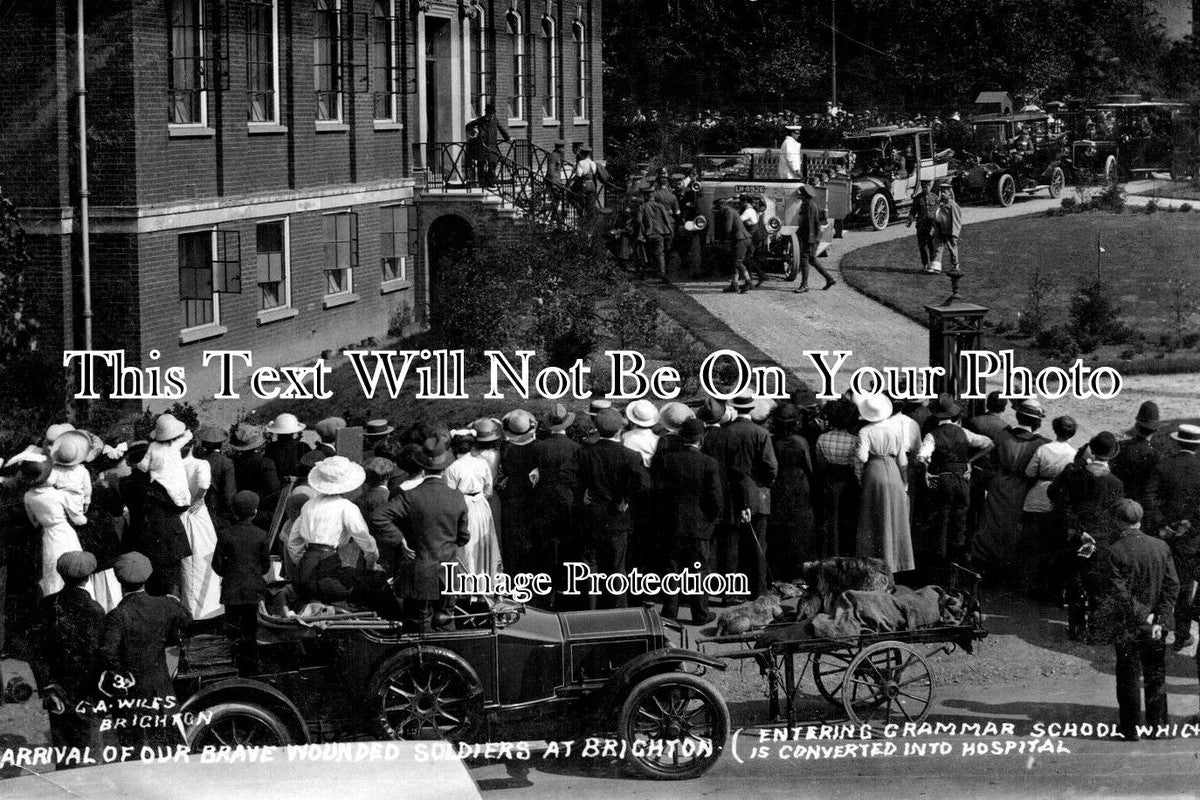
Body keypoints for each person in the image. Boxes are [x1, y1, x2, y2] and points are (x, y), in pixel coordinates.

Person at [1086, 500, 1178, 741]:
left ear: (1118, 521)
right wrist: (1160, 617)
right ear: (1141, 519)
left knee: (1128, 675)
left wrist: (1141, 616)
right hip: (1156, 626)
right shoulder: (1160, 547)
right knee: (1156, 674)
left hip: (1128, 625)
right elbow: (1172, 585)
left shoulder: (1115, 551)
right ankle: (1158, 727)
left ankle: (1131, 729)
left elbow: (1120, 593)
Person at [371, 442, 470, 632]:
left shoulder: (410, 496)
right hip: (447, 572)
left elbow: (378, 517)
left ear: (423, 468)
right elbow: (464, 537)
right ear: (445, 468)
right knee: (446, 621)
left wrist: (400, 539)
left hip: (418, 571)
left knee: (418, 624)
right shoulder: (457, 497)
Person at [101, 552, 191, 746]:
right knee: (169, 749)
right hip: (162, 690)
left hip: (131, 697)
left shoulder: (117, 615)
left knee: (135, 752)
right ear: (148, 576)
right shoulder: (165, 604)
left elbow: (109, 653)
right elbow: (186, 619)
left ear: (119, 580)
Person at [29, 552, 105, 767]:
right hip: (86, 694)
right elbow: (97, 656)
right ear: (88, 577)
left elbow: (37, 652)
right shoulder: (94, 610)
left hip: (57, 691)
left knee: (64, 753)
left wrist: (48, 686)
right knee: (90, 754)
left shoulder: (46, 605)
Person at [575, 408, 650, 609]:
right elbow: (643, 485)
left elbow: (568, 479)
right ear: (620, 429)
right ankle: (618, 611)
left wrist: (581, 494)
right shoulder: (631, 455)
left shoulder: (584, 452)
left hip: (591, 517)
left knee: (590, 566)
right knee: (617, 568)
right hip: (617, 517)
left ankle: (589, 610)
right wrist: (625, 497)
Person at [287, 456, 379, 605]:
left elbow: (293, 542)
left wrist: (303, 563)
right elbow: (366, 541)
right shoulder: (346, 507)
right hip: (328, 572)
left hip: (304, 574)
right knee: (371, 583)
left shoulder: (308, 506)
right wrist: (371, 564)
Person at [972, 400, 1049, 576]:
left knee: (992, 522)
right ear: (1037, 422)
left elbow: (989, 455)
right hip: (1022, 487)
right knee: (1013, 525)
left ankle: (985, 559)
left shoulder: (1002, 436)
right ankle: (1008, 563)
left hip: (999, 483)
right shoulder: (1040, 443)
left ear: (1017, 416)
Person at [916, 394, 994, 564]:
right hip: (962, 480)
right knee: (960, 520)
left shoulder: (932, 435)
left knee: (942, 520)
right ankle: (957, 560)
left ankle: (940, 560)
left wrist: (926, 474)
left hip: (943, 479)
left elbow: (921, 458)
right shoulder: (964, 433)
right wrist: (969, 461)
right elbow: (989, 444)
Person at [659, 419, 721, 625]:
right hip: (699, 524)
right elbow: (715, 499)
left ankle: (669, 612)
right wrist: (710, 521)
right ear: (701, 439)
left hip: (672, 523)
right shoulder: (709, 463)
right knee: (699, 569)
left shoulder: (667, 460)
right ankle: (700, 613)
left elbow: (658, 493)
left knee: (672, 569)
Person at [1144, 423, 1200, 652]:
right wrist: (1190, 525)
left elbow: (1148, 497)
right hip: (1191, 538)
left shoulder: (1163, 465)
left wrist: (1163, 524)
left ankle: (1161, 630)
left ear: (1178, 442)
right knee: (1186, 586)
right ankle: (1182, 636)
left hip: (1164, 535)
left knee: (1164, 582)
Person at [717, 394, 778, 596]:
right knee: (758, 541)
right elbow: (771, 466)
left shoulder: (725, 432)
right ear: (751, 408)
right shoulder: (761, 433)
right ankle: (758, 588)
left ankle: (731, 591)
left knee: (731, 543)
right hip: (757, 492)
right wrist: (763, 484)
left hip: (729, 494)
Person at [211, 491, 270, 675]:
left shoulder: (225, 534)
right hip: (253, 590)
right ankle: (251, 670)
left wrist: (229, 574)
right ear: (254, 511)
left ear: (234, 512)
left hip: (231, 590)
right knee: (250, 631)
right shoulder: (261, 534)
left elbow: (217, 565)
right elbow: (265, 566)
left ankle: (232, 667)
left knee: (233, 630)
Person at [855, 393, 914, 575]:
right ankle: (897, 562)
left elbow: (862, 456)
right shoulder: (895, 429)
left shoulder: (865, 431)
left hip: (874, 471)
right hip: (893, 470)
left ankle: (873, 562)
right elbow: (902, 460)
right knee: (895, 517)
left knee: (873, 517)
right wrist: (904, 482)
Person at [1022, 415, 1078, 599]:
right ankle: (1050, 588)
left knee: (1032, 546)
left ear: (1054, 429)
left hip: (1036, 499)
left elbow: (1029, 472)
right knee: (1054, 548)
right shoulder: (1073, 453)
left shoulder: (1043, 449)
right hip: (1058, 505)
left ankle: (1029, 586)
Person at [529, 404, 581, 602]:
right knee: (568, 547)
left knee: (545, 549)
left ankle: (544, 591)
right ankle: (566, 590)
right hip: (568, 500)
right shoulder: (576, 448)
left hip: (544, 501)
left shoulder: (539, 447)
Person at [444, 432, 502, 579]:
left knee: (466, 547)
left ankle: (468, 585)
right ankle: (487, 581)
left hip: (463, 506)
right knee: (484, 541)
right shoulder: (481, 462)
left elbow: (449, 496)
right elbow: (489, 490)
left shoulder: (452, 468)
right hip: (481, 505)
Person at [768, 404, 816, 581]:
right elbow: (810, 467)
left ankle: (779, 571)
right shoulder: (800, 442)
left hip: (779, 485)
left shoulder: (772, 441)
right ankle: (797, 572)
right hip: (799, 486)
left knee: (779, 528)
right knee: (800, 530)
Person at [180, 437, 222, 621]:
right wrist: (199, 498)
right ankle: (207, 608)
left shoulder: (175, 466)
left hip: (181, 513)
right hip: (196, 513)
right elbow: (204, 484)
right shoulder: (201, 463)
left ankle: (191, 607)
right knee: (203, 557)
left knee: (189, 563)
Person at [816, 398, 861, 557]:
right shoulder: (854, 440)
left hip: (829, 479)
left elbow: (820, 462)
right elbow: (856, 464)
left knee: (830, 519)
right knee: (847, 520)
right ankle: (846, 552)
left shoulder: (822, 438)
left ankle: (830, 552)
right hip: (848, 481)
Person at [498, 410, 539, 573]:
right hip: (531, 493)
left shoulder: (506, 448)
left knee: (512, 541)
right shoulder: (538, 448)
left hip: (512, 494)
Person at [1111, 401, 1163, 516]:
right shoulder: (1157, 455)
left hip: (1120, 505)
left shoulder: (1120, 447)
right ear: (1155, 430)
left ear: (1136, 426)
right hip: (1143, 509)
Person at [228, 423, 281, 530]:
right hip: (259, 512)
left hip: (237, 510)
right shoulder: (265, 463)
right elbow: (274, 489)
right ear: (258, 444)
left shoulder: (231, 461)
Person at [792, 185, 836, 293]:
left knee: (804, 258)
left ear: (804, 195)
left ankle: (804, 284)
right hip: (811, 236)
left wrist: (810, 239)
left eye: (801, 194)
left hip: (810, 237)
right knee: (812, 260)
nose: (799, 196)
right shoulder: (807, 204)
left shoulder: (808, 206)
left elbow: (810, 224)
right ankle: (829, 279)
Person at [196, 426, 236, 529]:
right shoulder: (226, 463)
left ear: (204, 443)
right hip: (219, 512)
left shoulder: (198, 461)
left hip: (198, 509)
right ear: (221, 444)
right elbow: (229, 493)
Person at [465, 103, 511, 188]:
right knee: (481, 164)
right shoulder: (480, 120)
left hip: (492, 146)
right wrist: (474, 133)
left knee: (493, 162)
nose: (490, 116)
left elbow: (502, 129)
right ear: (486, 113)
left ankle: (491, 182)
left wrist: (508, 138)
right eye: (489, 114)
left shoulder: (495, 120)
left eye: (492, 114)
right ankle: (481, 183)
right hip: (481, 145)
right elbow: (468, 126)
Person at [635, 184, 673, 281]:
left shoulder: (642, 207)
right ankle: (662, 274)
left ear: (645, 196)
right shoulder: (660, 206)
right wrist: (670, 231)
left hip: (648, 234)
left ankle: (643, 274)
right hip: (660, 234)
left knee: (644, 253)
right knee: (660, 254)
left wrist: (641, 233)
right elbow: (667, 219)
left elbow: (639, 221)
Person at [264, 413, 313, 481]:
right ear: (293, 432)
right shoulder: (303, 446)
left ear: (276, 431)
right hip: (297, 486)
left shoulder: (270, 447)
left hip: (277, 485)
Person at [929, 183, 962, 274]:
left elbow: (956, 219)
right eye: (942, 191)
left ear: (949, 193)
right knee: (938, 247)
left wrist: (954, 232)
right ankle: (936, 266)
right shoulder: (940, 204)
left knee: (952, 248)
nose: (942, 194)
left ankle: (955, 265)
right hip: (940, 229)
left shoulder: (952, 205)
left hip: (949, 230)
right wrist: (934, 228)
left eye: (945, 192)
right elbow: (937, 216)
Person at [723, 198, 754, 294]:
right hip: (743, 239)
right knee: (735, 262)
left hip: (741, 239)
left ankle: (748, 282)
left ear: (723, 205)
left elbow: (728, 229)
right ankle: (734, 284)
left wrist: (724, 240)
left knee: (738, 262)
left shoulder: (729, 212)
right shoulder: (733, 211)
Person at [907, 180, 938, 271]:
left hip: (931, 226)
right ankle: (925, 264)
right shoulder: (918, 198)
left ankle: (933, 265)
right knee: (922, 246)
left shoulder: (935, 197)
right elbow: (913, 211)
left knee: (932, 246)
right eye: (923, 187)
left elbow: (938, 211)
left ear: (930, 186)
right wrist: (909, 220)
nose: (925, 189)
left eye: (927, 187)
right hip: (921, 226)